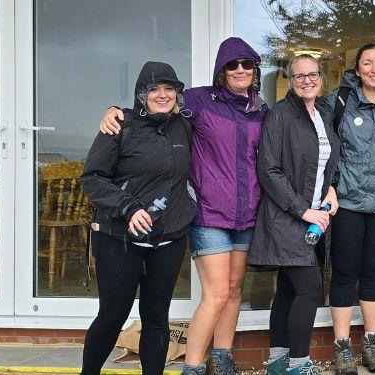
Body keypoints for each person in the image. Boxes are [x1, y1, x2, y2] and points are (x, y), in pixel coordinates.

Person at [99, 37, 267, 375]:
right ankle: (192, 367)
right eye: (232, 65)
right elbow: (158, 105)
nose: (239, 70)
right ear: (221, 71)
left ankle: (221, 359)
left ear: (254, 70)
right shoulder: (201, 101)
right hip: (209, 212)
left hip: (247, 213)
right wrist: (118, 112)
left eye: (246, 64)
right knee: (217, 293)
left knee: (234, 291)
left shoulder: (261, 109)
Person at [79, 61, 196, 375]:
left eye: (169, 88)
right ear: (141, 94)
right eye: (154, 89)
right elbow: (92, 178)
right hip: (119, 238)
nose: (162, 95)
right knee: (113, 314)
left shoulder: (184, 124)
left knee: (157, 316)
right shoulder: (121, 126)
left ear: (178, 93)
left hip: (169, 238)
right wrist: (128, 207)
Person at [248, 54, 338, 375]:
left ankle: (277, 362)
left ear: (321, 78)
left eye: (312, 74)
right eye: (299, 76)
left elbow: (327, 163)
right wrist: (304, 210)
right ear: (290, 81)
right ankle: (299, 364)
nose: (306, 81)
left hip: (313, 217)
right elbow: (268, 170)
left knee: (287, 290)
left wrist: (332, 191)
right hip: (286, 217)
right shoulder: (280, 115)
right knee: (309, 289)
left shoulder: (323, 114)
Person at [324, 43, 375, 375]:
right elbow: (320, 144)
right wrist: (329, 185)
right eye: (367, 63)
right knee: (344, 273)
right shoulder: (338, 101)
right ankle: (342, 348)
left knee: (373, 273)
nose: (374, 68)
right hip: (348, 201)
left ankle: (372, 344)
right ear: (356, 69)